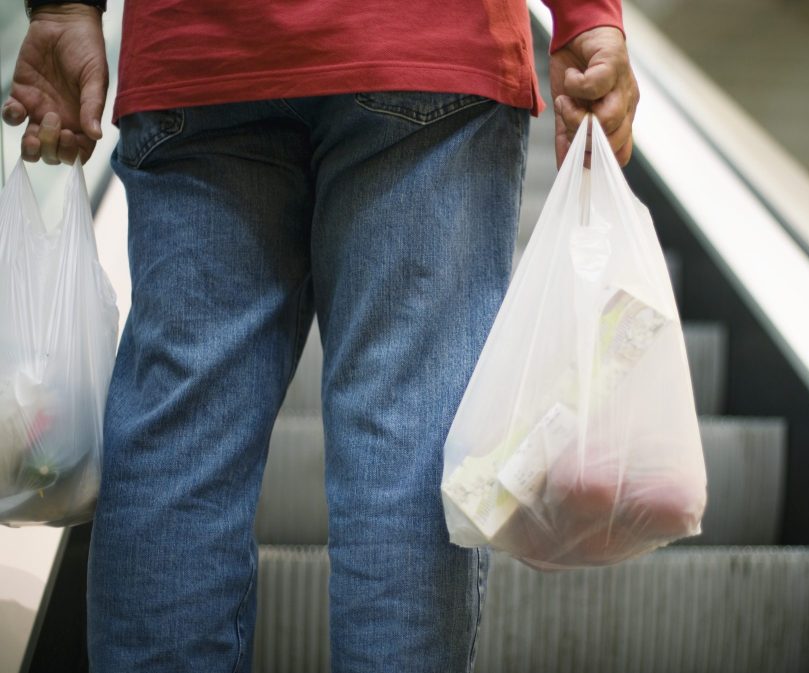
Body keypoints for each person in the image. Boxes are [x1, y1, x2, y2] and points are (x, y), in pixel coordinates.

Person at [3, 1, 639, 670]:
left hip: (202, 48)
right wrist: (586, 16)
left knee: (181, 441)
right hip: (425, 41)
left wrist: (64, 9)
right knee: (408, 446)